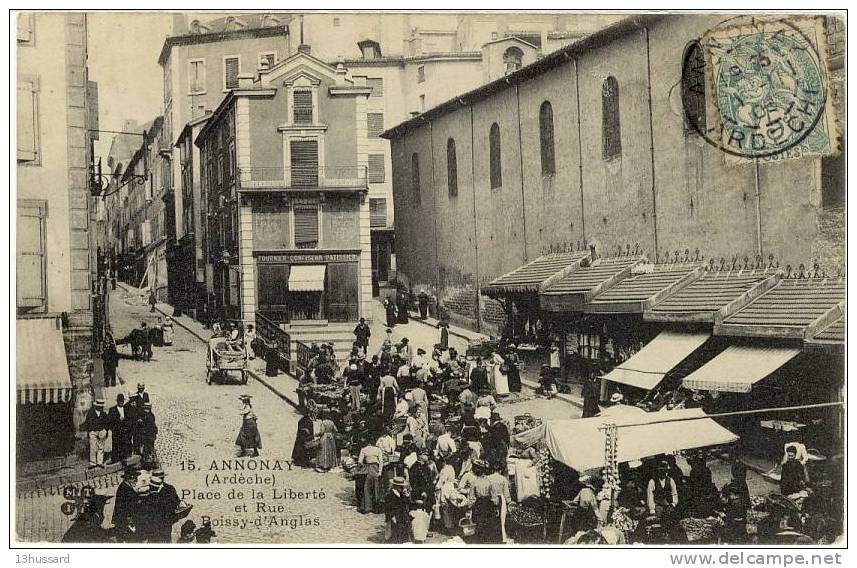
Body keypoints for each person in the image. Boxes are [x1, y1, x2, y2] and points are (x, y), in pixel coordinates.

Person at [468, 460, 501, 544]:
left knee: (479, 524)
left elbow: (472, 498)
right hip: (488, 504)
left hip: (479, 505)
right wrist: (496, 505)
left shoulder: (474, 483)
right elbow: (494, 497)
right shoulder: (489, 482)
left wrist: (469, 508)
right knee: (488, 524)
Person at [147, 470, 180, 543]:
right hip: (153, 525)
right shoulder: (147, 489)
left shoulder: (169, 488)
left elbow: (177, 502)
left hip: (166, 523)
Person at [112, 468, 141, 541]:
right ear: (130, 478)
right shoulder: (126, 489)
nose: (136, 481)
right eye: (135, 479)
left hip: (123, 520)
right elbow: (129, 505)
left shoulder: (125, 487)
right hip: (125, 521)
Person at [356, 441, 384, 514]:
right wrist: (380, 472)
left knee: (367, 488)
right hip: (376, 469)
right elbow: (381, 461)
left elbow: (360, 462)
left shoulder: (364, 449)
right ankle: (376, 508)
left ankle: (367, 508)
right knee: (376, 488)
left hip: (368, 468)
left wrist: (359, 469)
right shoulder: (378, 449)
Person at [82, 398, 110, 468]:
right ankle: (93, 463)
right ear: (96, 406)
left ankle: (100, 462)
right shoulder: (91, 413)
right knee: (93, 447)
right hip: (93, 432)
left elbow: (107, 423)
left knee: (101, 447)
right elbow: (87, 422)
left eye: (102, 406)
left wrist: (105, 431)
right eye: (99, 406)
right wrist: (90, 431)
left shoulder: (103, 414)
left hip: (101, 432)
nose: (101, 407)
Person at [291, 402, 318, 468]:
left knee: (300, 445)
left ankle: (298, 459)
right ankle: (304, 460)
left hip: (301, 437)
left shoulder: (301, 420)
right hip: (305, 438)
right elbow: (310, 432)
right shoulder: (309, 421)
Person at [108, 393, 133, 463]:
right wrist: (115, 426)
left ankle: (124, 458)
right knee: (116, 445)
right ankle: (116, 459)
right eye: (120, 401)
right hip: (117, 431)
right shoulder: (112, 409)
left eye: (122, 401)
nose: (121, 402)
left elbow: (129, 419)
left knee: (124, 445)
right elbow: (110, 421)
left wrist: (127, 427)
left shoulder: (126, 409)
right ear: (117, 401)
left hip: (125, 431)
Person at [386, 476, 411, 543]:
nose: (402, 488)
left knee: (403, 529)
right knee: (395, 531)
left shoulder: (401, 493)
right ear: (396, 486)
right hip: (395, 515)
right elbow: (388, 508)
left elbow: (407, 503)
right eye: (401, 486)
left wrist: (407, 495)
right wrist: (392, 516)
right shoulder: (390, 495)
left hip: (402, 514)